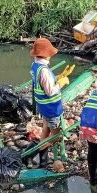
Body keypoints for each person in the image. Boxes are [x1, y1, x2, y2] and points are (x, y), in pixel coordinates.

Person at [30, 38, 70, 168]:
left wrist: (59, 76)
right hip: (51, 108)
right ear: (46, 54)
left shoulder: (36, 65)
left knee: (45, 131)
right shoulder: (44, 71)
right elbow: (50, 91)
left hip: (43, 106)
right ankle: (31, 154)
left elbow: (43, 83)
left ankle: (43, 161)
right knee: (55, 136)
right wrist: (61, 83)